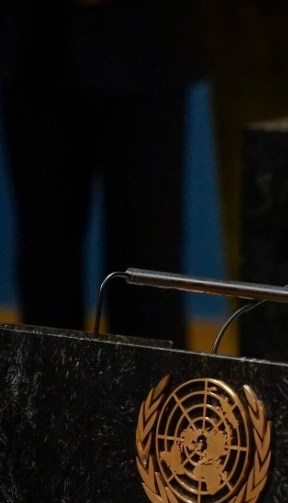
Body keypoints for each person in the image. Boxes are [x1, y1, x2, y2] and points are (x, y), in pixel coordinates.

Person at [0, 1, 207, 346]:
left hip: (146, 41)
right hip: (32, 40)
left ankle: (154, 395)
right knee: (44, 257)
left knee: (148, 260)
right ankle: (49, 395)